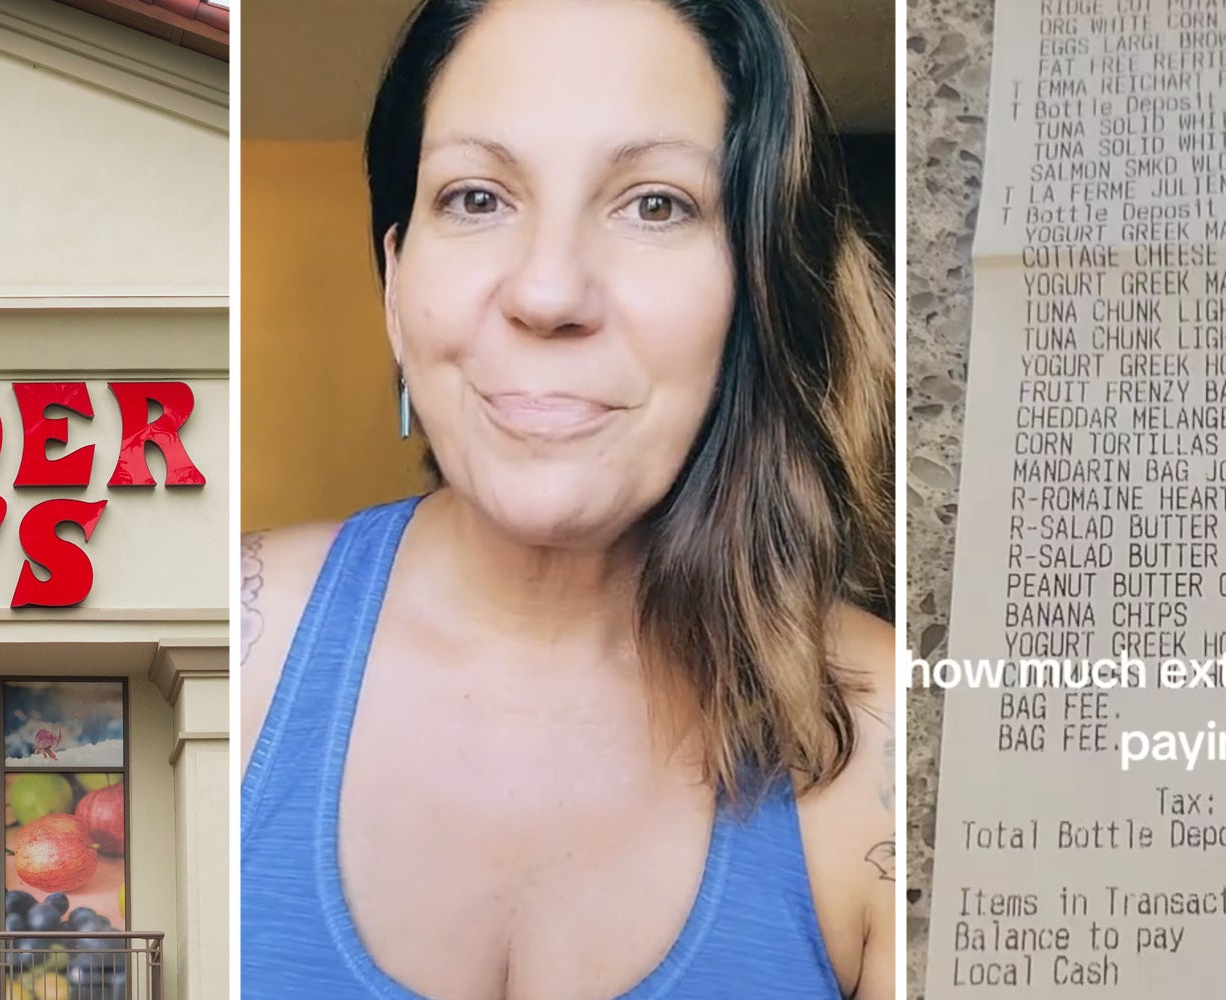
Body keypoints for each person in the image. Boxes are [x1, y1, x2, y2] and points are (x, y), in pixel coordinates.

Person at [239, 0, 896, 996]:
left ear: (756, 285)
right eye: (473, 197)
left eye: (654, 203)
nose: (547, 293)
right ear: (393, 279)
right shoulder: (228, 647)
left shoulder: (899, 743)